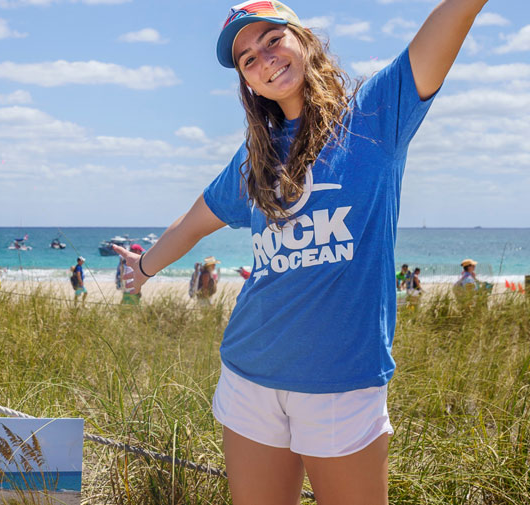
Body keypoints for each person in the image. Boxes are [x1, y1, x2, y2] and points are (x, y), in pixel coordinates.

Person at [114, 1, 485, 502]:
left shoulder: (374, 116)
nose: (264, 59)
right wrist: (143, 266)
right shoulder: (254, 158)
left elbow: (448, 25)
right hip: (250, 375)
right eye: (248, 59)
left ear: (303, 40)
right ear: (248, 83)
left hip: (343, 380)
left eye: (272, 40)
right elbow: (194, 222)